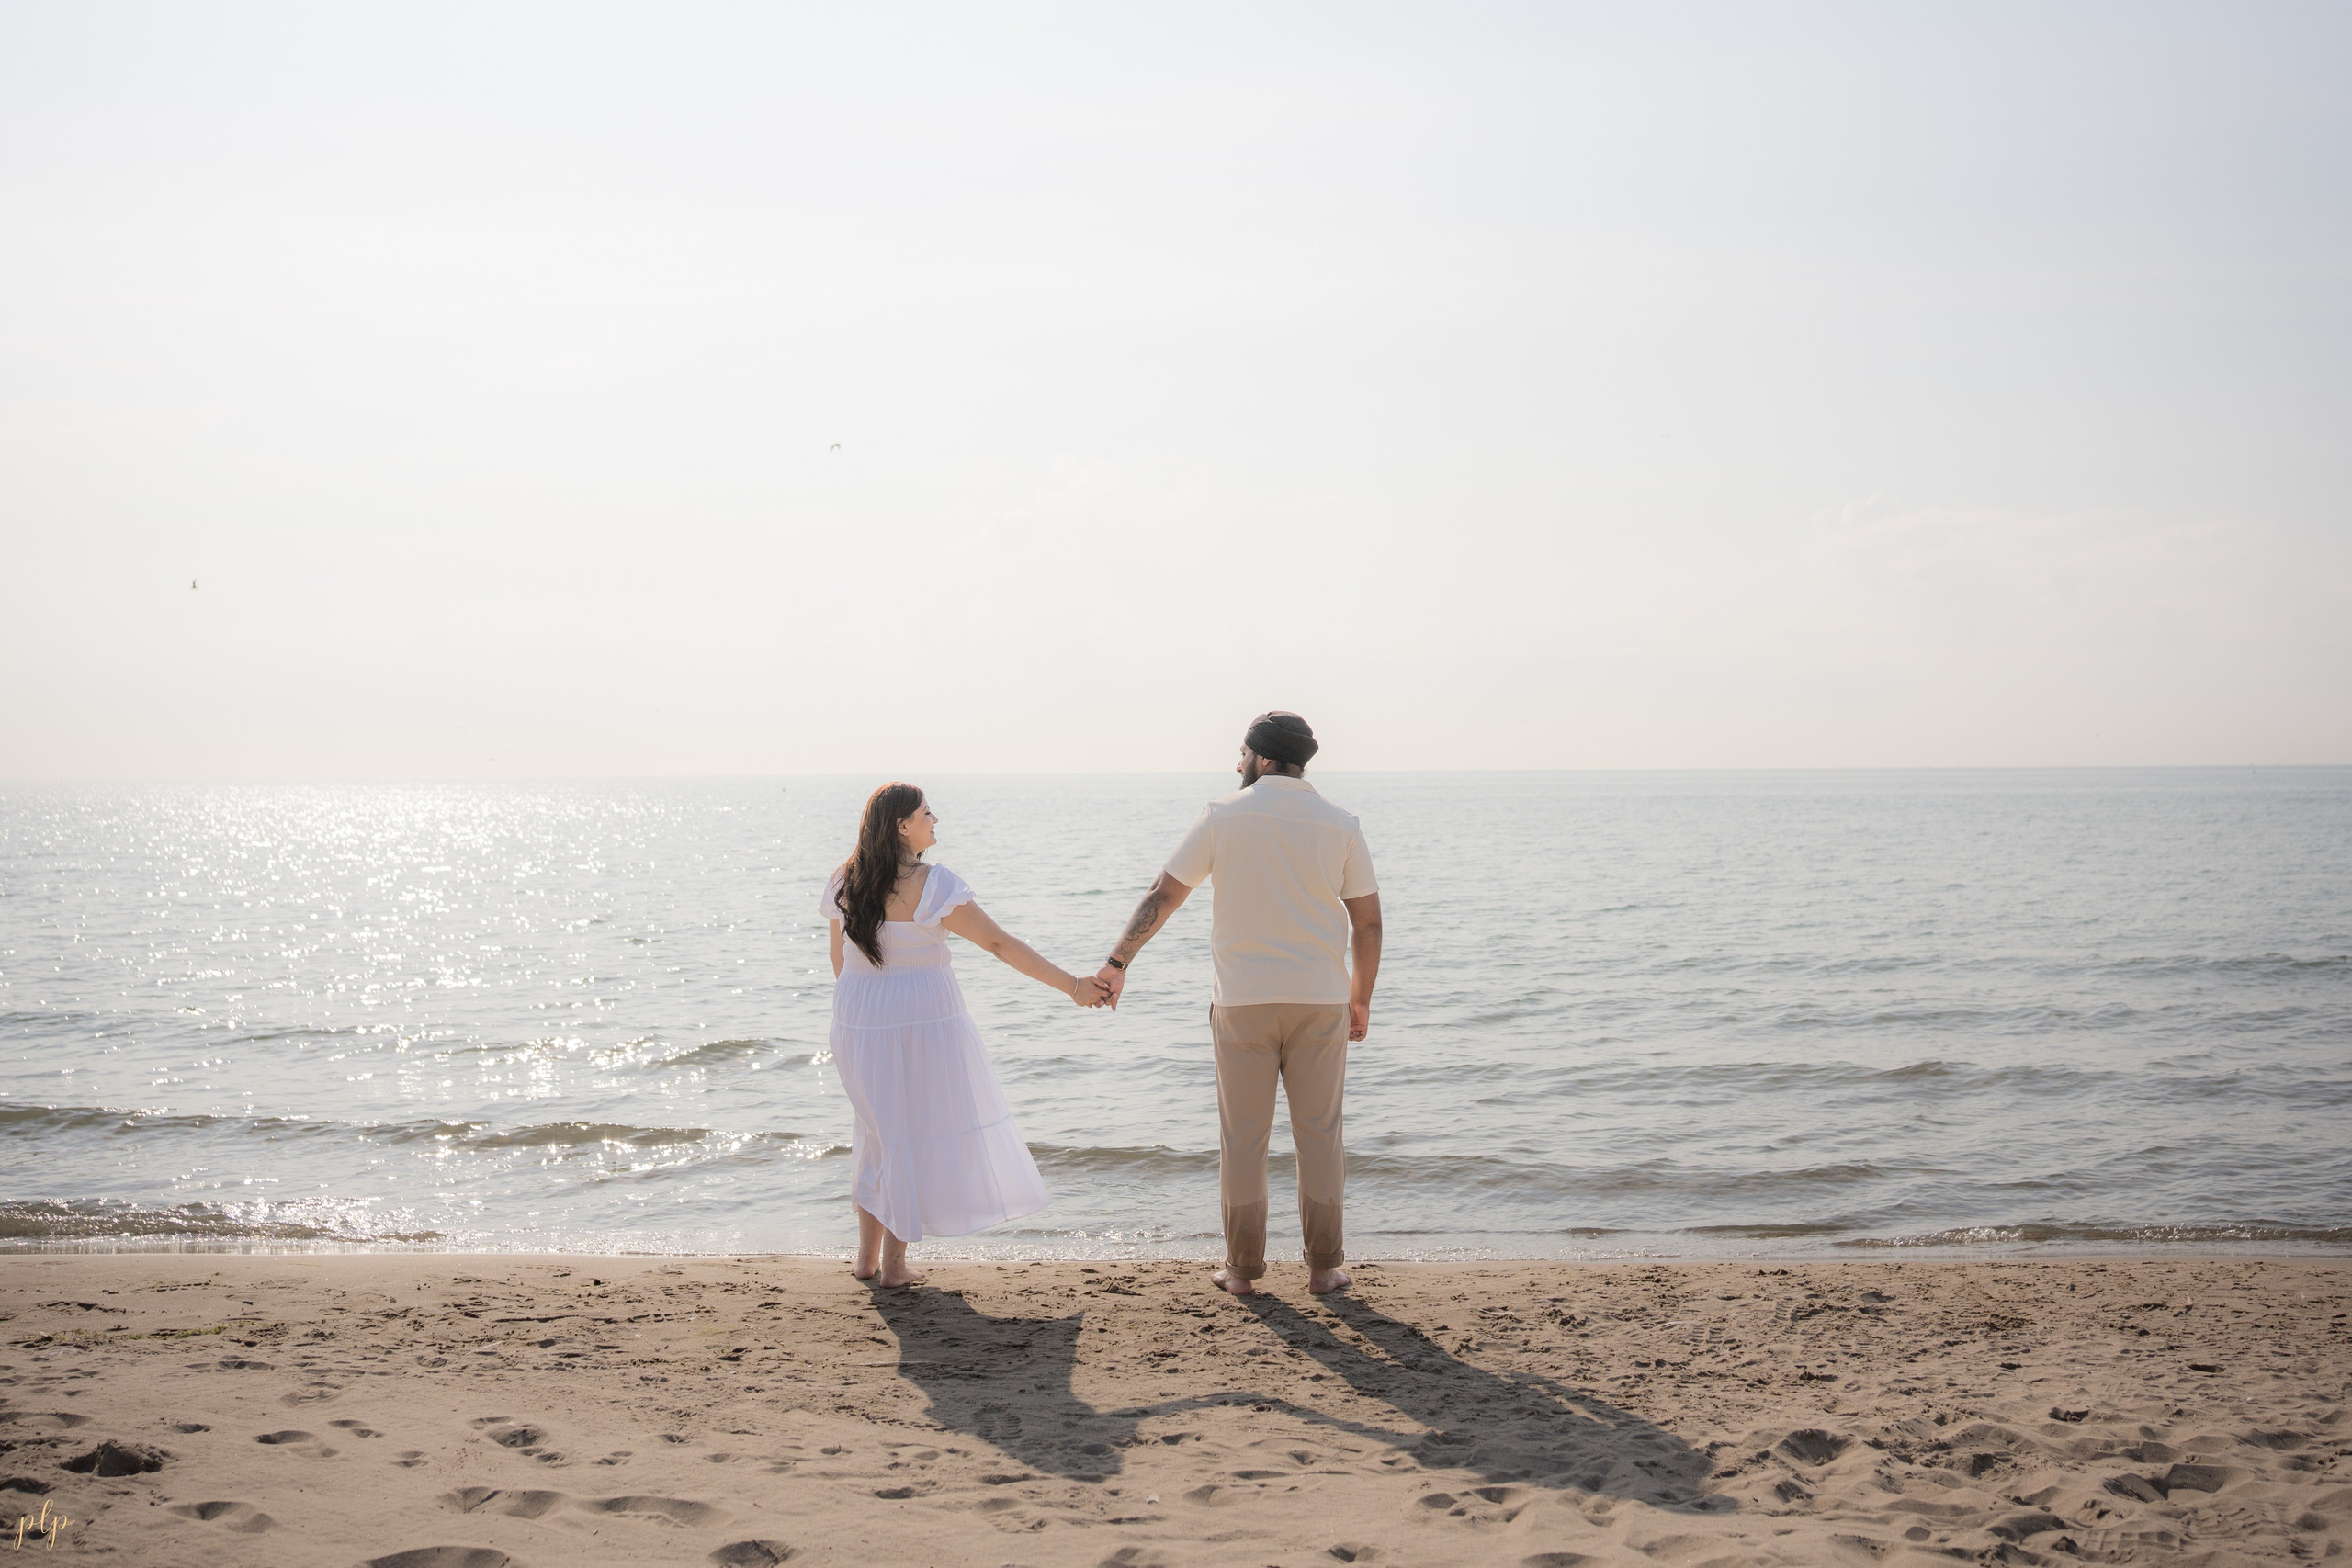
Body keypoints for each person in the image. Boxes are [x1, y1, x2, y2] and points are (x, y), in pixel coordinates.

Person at [1093, 712, 1382, 1297]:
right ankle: (1324, 1269)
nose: (1237, 763)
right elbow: (1369, 923)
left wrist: (1117, 963)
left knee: (1244, 1138)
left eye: (1243, 753)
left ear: (1264, 758)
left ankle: (1242, 1271)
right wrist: (1360, 999)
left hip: (1242, 1001)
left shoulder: (1222, 815)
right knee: (1320, 1135)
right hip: (1320, 1000)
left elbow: (1163, 894)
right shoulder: (1342, 824)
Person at [822, 782, 1107, 1288]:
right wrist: (1072, 986)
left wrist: (864, 1011)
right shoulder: (934, 883)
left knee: (876, 1132)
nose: (935, 820)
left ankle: (867, 1260)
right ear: (902, 825)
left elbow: (838, 959)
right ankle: (893, 1266)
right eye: (926, 813)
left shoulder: (845, 878)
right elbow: (998, 943)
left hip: (856, 1019)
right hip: (919, 1019)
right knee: (907, 1133)